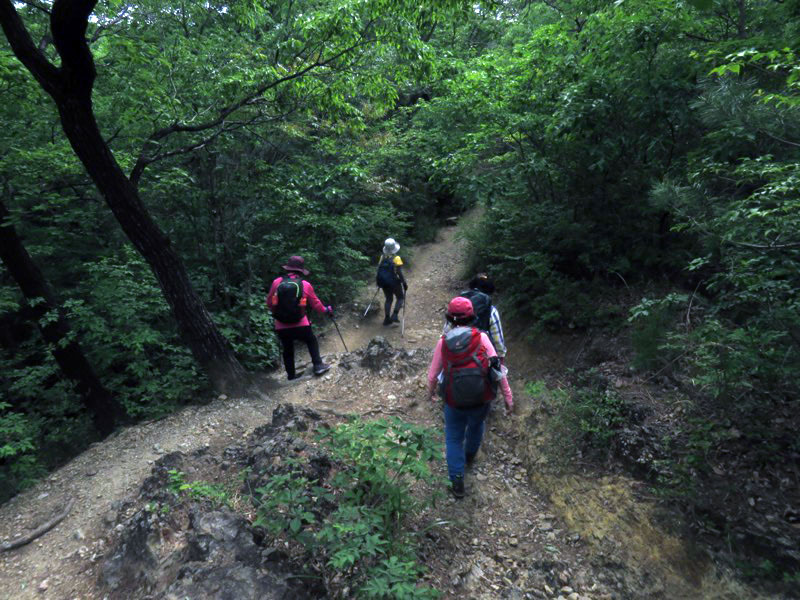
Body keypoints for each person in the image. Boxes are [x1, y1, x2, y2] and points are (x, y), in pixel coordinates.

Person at [428, 297, 513, 499]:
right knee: (476, 426)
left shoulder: (443, 342)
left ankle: (457, 481)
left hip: (453, 400)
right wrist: (508, 397)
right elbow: (498, 369)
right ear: (472, 316)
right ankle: (470, 456)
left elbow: (433, 375)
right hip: (481, 397)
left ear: (449, 317)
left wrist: (430, 393)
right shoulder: (482, 338)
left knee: (453, 438)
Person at [267, 255, 332, 380]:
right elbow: (316, 304)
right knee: (311, 340)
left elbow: (269, 303)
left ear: (288, 268)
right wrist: (326, 310)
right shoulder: (305, 284)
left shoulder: (277, 282)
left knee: (287, 349)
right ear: (300, 270)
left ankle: (291, 376)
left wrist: (280, 314)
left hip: (281, 325)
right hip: (301, 323)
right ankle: (318, 365)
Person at [451, 273, 507, 363]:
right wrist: (500, 356)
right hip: (482, 358)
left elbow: (447, 332)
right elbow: (497, 339)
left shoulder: (458, 306)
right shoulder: (491, 310)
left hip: (457, 356)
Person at [375, 238, 408, 327]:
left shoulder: (382, 257)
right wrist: (404, 282)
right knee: (400, 297)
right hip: (394, 282)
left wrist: (378, 281)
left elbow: (378, 269)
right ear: (394, 248)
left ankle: (386, 319)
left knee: (389, 299)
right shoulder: (396, 258)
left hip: (384, 283)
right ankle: (395, 315)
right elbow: (399, 272)